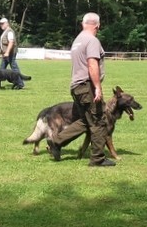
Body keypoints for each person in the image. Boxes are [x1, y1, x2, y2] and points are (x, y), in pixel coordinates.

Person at [47, 12, 115, 167]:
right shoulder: (92, 40)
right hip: (87, 86)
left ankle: (56, 142)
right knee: (99, 121)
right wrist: (97, 87)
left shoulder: (77, 40)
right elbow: (92, 64)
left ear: (83, 24)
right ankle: (97, 159)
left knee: (86, 120)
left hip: (76, 86)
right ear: (98, 25)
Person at [0, 17, 24, 89]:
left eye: (2, 24)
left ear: (7, 23)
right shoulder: (6, 31)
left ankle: (20, 83)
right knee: (1, 69)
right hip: (6, 54)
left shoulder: (9, 31)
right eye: (0, 24)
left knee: (14, 69)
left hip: (10, 54)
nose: (1, 25)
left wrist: (7, 52)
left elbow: (11, 42)